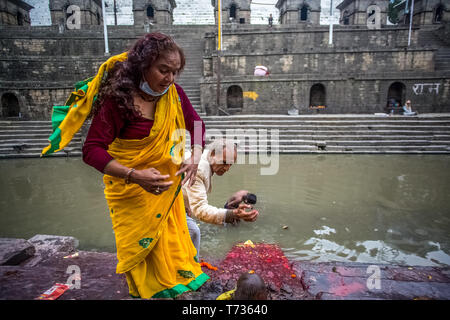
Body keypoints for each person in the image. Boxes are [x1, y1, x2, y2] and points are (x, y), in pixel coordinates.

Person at [43, 32, 209, 299]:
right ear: (143, 66)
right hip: (130, 189)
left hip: (165, 189)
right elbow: (91, 150)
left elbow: (197, 125)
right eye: (163, 70)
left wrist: (195, 154)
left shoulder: (174, 94)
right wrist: (135, 175)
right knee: (144, 258)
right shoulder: (118, 100)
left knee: (190, 232)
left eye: (175, 72)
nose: (170, 79)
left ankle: (180, 282)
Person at [182, 139, 259, 256]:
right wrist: (232, 214)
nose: (227, 168)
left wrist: (185, 204)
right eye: (224, 162)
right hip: (160, 203)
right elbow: (200, 209)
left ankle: (190, 266)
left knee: (193, 232)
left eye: (230, 164)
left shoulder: (203, 157)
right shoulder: (199, 169)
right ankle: (190, 269)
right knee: (193, 231)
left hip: (176, 204)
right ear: (212, 154)